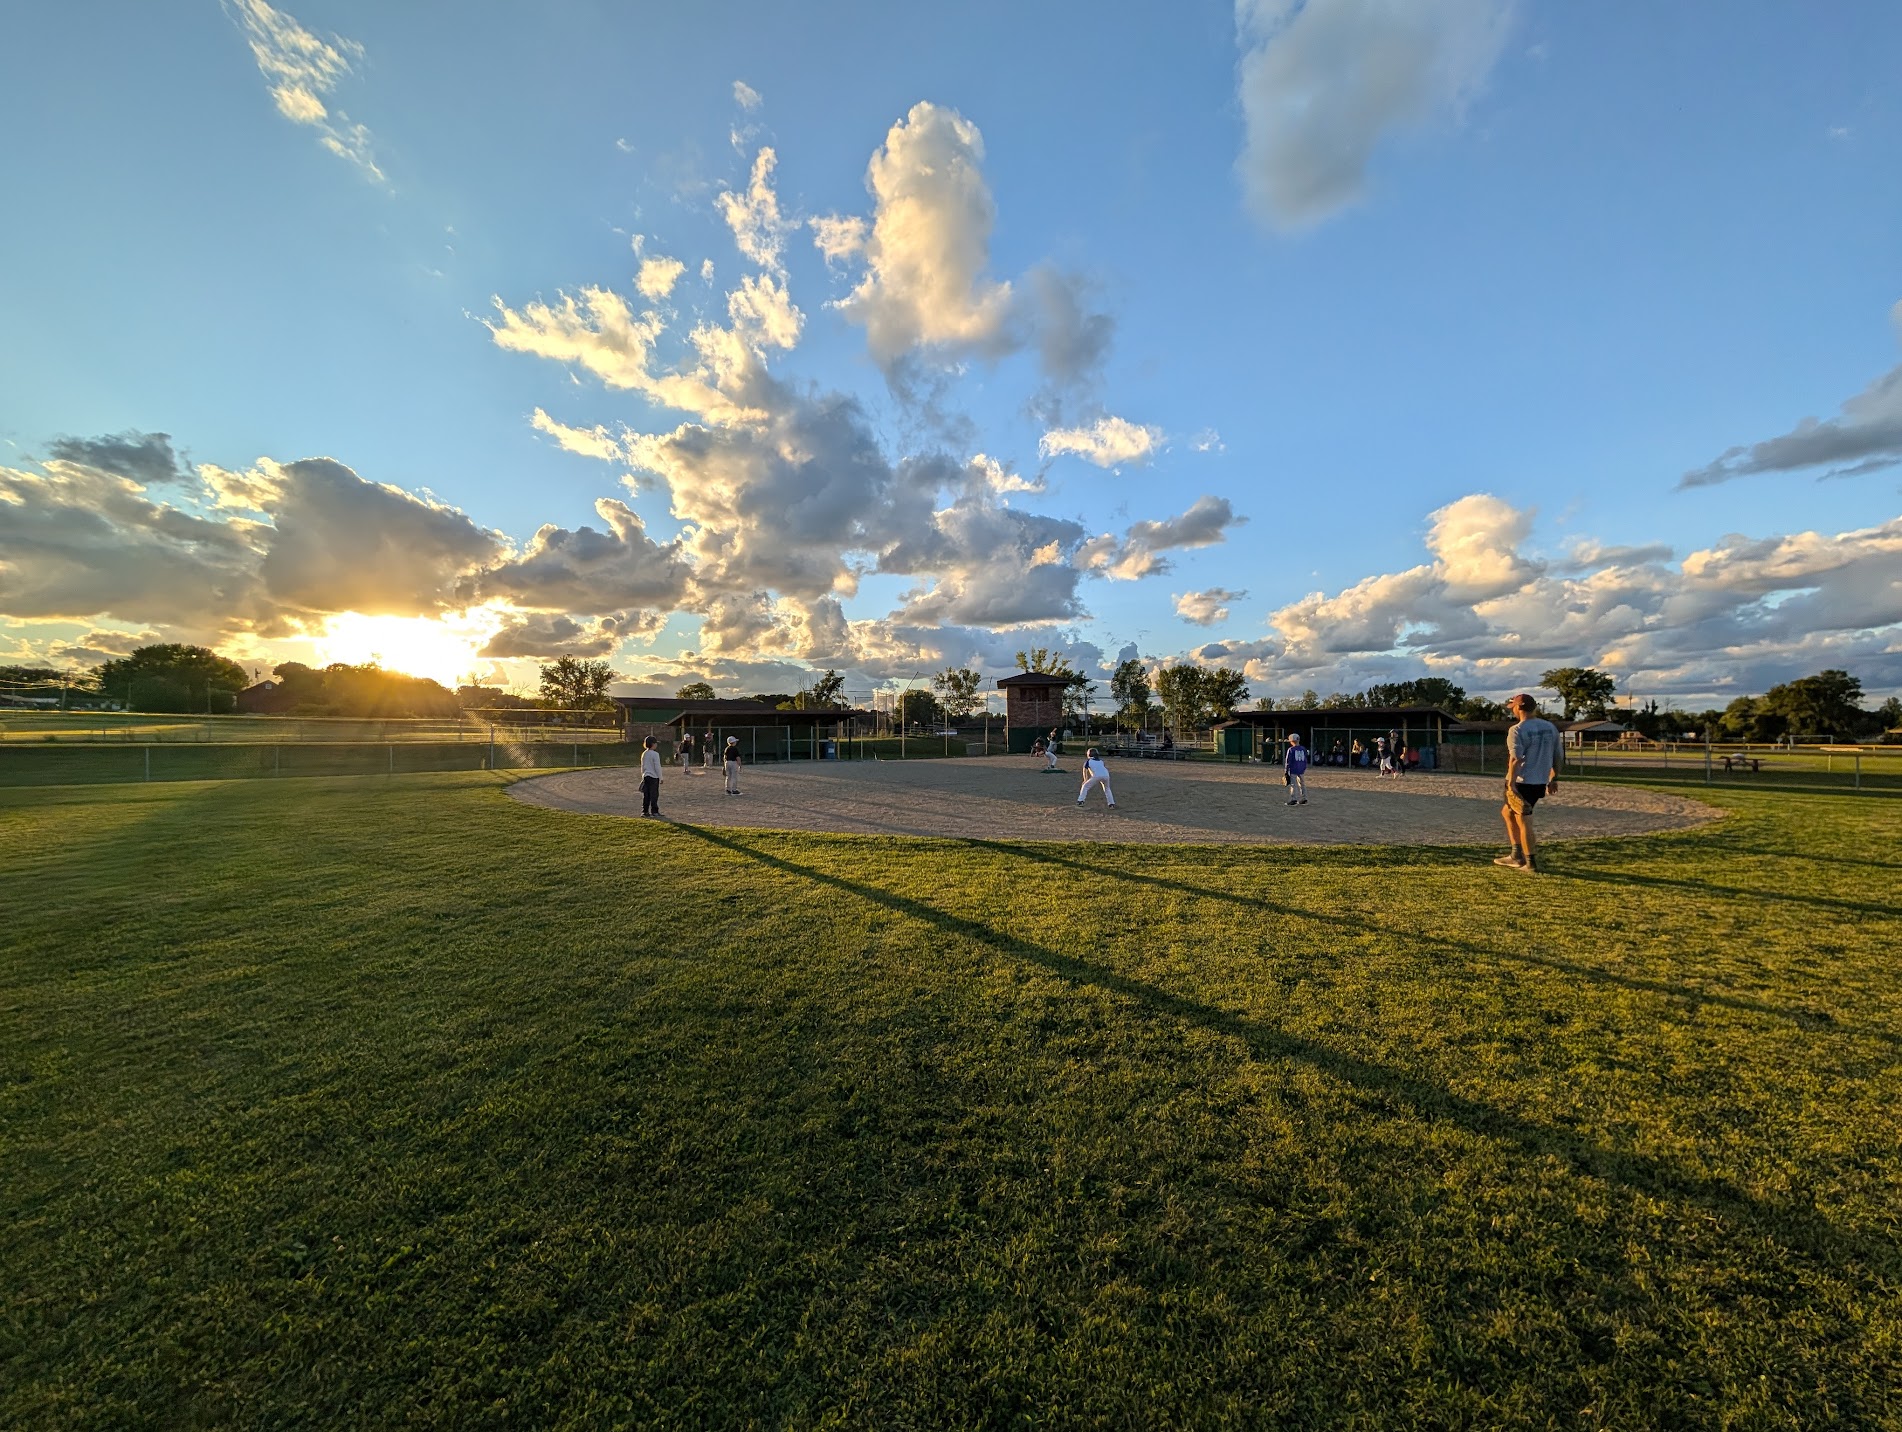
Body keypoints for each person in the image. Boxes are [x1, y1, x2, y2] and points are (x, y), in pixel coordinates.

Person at [1498, 692, 1561, 873]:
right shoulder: (1550, 728)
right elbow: (1558, 755)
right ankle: (1516, 854)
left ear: (1518, 708)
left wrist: (1511, 783)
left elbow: (1515, 759)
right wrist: (1553, 778)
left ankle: (1530, 863)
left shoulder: (1517, 730)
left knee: (1524, 819)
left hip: (1522, 780)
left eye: (1513, 708)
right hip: (1539, 780)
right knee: (1507, 811)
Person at [639, 735, 663, 817]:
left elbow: (642, 766)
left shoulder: (644, 754)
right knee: (654, 795)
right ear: (653, 744)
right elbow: (657, 767)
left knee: (646, 795)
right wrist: (661, 777)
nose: (656, 745)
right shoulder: (655, 754)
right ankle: (654, 811)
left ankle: (645, 811)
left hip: (646, 776)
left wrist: (643, 776)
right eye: (655, 743)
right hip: (654, 777)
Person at [1283, 732, 1310, 805]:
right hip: (1301, 769)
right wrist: (1304, 767)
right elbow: (1305, 759)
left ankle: (1293, 798)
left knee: (1293, 784)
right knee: (1302, 784)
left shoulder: (1291, 749)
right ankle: (1304, 798)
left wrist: (1286, 770)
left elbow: (1288, 761)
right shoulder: (1303, 749)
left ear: (1291, 741)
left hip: (1293, 769)